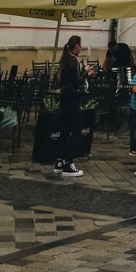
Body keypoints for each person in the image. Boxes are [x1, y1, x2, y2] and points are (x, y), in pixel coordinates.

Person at [52, 35, 86, 178]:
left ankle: (59, 161)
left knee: (65, 131)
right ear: (76, 46)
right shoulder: (72, 61)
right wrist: (86, 72)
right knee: (76, 131)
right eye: (80, 44)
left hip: (65, 100)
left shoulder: (66, 60)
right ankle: (68, 163)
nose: (81, 47)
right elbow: (77, 81)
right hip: (72, 100)